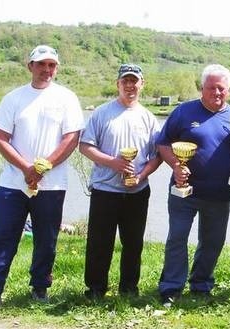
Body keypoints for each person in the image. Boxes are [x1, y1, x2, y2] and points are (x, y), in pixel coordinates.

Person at [0, 45, 84, 316]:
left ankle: (39, 288)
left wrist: (45, 166)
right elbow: (1, 139)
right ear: (29, 65)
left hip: (52, 184)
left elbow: (72, 138)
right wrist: (26, 168)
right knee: (0, 236)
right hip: (13, 182)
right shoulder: (13, 98)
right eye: (41, 64)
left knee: (46, 238)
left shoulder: (67, 98)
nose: (47, 70)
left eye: (52, 65)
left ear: (56, 68)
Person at [157, 64, 230, 305]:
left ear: (228, 90)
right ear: (202, 88)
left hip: (220, 193)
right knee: (177, 238)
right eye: (211, 88)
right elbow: (163, 144)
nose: (216, 93)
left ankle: (201, 284)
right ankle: (171, 287)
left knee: (212, 242)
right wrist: (176, 166)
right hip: (183, 190)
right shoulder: (183, 112)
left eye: (221, 88)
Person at [79, 64, 162, 299]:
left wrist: (141, 176)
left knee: (133, 244)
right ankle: (95, 289)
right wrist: (112, 162)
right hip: (105, 190)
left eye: (134, 81)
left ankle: (129, 289)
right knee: (99, 243)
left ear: (142, 84)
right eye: (125, 81)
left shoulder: (148, 118)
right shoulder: (102, 113)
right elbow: (85, 146)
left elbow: (157, 156)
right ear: (118, 84)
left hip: (137, 191)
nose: (130, 85)